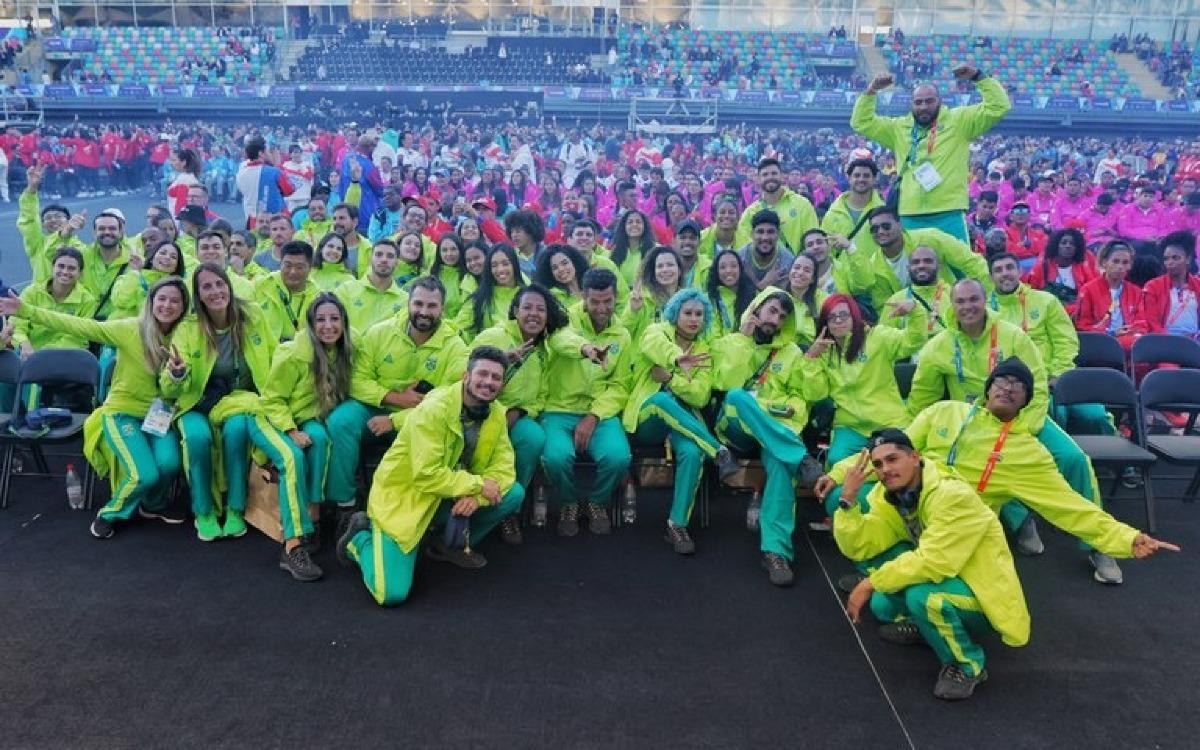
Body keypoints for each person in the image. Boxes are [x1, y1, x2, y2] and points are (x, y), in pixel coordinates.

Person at [820, 358, 1179, 590]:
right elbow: (892, 449)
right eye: (1001, 381)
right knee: (847, 501)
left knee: (907, 603)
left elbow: (1070, 506)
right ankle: (879, 575)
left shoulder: (1026, 453)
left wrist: (1127, 539)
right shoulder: (946, 410)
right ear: (987, 388)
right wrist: (838, 474)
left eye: (1018, 386)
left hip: (955, 530)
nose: (1007, 388)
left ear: (1025, 402)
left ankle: (907, 599)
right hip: (907, 508)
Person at [826, 429, 1029, 701]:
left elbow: (934, 562)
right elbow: (861, 545)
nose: (885, 469)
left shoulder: (952, 495)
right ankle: (926, 628)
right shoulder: (892, 495)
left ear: (915, 457)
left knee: (924, 597)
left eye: (892, 459)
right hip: (945, 574)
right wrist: (848, 502)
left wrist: (870, 583)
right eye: (878, 464)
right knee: (883, 606)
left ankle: (967, 666)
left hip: (981, 593)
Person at [336, 345, 526, 607]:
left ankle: (446, 545)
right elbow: (426, 476)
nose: (488, 382)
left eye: (496, 378)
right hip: (407, 499)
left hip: (450, 494)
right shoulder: (434, 409)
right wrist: (478, 484)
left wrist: (476, 497)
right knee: (390, 594)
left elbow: (504, 469)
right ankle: (360, 540)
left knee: (513, 492)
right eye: (482, 374)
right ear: (466, 376)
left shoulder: (496, 413)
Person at [0, 278, 188, 539]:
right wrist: (26, 311)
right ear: (151, 302)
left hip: (159, 416)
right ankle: (111, 513)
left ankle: (152, 505)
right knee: (143, 474)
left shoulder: (186, 338)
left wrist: (178, 376)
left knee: (169, 464)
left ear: (183, 307)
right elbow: (80, 325)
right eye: (162, 299)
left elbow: (176, 388)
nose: (167, 305)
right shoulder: (130, 329)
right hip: (122, 413)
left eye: (175, 301)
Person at [324, 276, 469, 516]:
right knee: (341, 421)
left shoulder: (455, 346)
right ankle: (345, 505)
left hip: (421, 416)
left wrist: (399, 417)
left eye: (432, 306)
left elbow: (449, 395)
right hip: (374, 407)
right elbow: (356, 381)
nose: (424, 311)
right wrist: (394, 397)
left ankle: (413, 512)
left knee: (435, 433)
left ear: (443, 308)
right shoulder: (380, 333)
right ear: (408, 303)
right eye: (418, 304)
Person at [473, 285, 607, 543]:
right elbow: (466, 372)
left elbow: (540, 397)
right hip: (481, 413)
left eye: (541, 309)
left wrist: (519, 412)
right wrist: (503, 360)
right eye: (527, 307)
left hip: (518, 416)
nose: (534, 314)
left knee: (533, 437)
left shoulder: (544, 349)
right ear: (515, 311)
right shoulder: (493, 336)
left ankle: (509, 511)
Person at [162, 263, 277, 542]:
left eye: (219, 284)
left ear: (228, 285)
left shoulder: (252, 315)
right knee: (197, 440)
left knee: (238, 430)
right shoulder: (188, 328)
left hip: (241, 400)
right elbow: (170, 385)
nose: (215, 291)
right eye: (207, 287)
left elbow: (275, 357)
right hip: (197, 404)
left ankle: (236, 508)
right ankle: (204, 511)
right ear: (198, 295)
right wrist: (177, 374)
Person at [622, 289, 739, 555]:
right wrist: (677, 360)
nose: (693, 319)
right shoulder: (657, 331)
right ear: (675, 313)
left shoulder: (705, 350)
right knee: (663, 402)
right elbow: (653, 346)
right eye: (687, 313)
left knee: (691, 451)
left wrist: (670, 379)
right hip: (647, 417)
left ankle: (677, 524)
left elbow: (700, 395)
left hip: (686, 422)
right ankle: (718, 451)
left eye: (699, 314)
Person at [712, 289, 810, 586]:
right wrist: (742, 342)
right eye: (772, 311)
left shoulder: (792, 352)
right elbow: (723, 385)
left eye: (782, 316)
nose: (776, 320)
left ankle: (775, 552)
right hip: (735, 428)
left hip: (774, 432)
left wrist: (769, 409)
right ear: (756, 308)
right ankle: (800, 456)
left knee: (780, 464)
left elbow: (800, 402)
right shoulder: (729, 342)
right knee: (738, 396)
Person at [851, 64, 1011, 243]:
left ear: (939, 101)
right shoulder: (898, 128)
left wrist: (978, 77)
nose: (923, 106)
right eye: (918, 102)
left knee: (961, 269)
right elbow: (861, 122)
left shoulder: (959, 121)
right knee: (914, 268)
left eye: (929, 101)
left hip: (948, 212)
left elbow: (999, 106)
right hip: (910, 214)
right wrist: (871, 91)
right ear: (911, 104)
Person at [256, 293, 354, 582]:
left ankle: (312, 518)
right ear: (310, 324)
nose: (328, 326)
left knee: (323, 441)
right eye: (320, 319)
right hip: (276, 418)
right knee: (294, 458)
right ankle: (292, 544)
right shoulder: (292, 354)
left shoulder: (342, 351)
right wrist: (290, 431)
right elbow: (272, 400)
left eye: (334, 319)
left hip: (306, 418)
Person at [800, 293, 924, 510]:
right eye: (832, 317)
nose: (838, 321)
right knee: (837, 460)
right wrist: (811, 359)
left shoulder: (877, 337)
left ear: (854, 317)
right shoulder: (823, 351)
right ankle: (849, 511)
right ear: (825, 323)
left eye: (843, 315)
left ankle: (889, 506)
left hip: (887, 421)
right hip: (850, 426)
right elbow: (815, 394)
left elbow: (913, 341)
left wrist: (914, 310)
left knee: (896, 465)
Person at [539, 269, 633, 537]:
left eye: (608, 301)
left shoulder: (622, 335)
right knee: (555, 458)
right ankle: (569, 502)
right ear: (584, 297)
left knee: (619, 458)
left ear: (616, 298)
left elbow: (620, 385)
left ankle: (596, 502)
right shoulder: (564, 319)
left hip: (599, 412)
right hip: (559, 409)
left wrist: (593, 416)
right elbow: (561, 341)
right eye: (595, 302)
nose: (602, 308)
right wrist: (587, 349)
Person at [850, 206, 989, 317]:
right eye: (874, 229)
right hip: (913, 323)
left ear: (899, 225)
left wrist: (989, 299)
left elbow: (971, 262)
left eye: (886, 226)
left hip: (951, 310)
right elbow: (884, 308)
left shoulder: (930, 238)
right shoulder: (874, 266)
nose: (880, 231)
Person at [12, 247, 96, 357]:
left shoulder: (87, 301)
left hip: (65, 356)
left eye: (71, 268)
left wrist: (44, 353)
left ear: (80, 273)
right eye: (61, 266)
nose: (65, 272)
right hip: (28, 354)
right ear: (53, 267)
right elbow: (17, 325)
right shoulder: (31, 292)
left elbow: (77, 338)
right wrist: (24, 343)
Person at [17, 165, 86, 284]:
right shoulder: (37, 244)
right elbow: (29, 218)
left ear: (68, 220)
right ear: (42, 225)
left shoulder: (79, 247)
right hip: (41, 298)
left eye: (58, 216)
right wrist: (32, 188)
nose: (53, 220)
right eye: (48, 218)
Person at [1074, 240, 1147, 352]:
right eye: (1115, 261)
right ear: (1104, 263)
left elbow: (1141, 323)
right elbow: (1082, 325)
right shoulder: (1088, 290)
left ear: (1130, 265)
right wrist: (1111, 333)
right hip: (1099, 342)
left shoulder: (1136, 291)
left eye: (1125, 262)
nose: (1120, 267)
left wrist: (1131, 331)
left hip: (1129, 340)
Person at [735, 158, 818, 252]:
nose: (770, 177)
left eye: (774, 173)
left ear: (781, 176)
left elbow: (813, 239)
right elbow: (744, 247)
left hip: (796, 265)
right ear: (758, 179)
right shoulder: (751, 212)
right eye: (765, 174)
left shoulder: (802, 204)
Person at [334, 239, 407, 336]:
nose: (384, 259)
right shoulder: (346, 290)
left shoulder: (405, 300)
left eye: (390, 256)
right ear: (370, 259)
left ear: (397, 262)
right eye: (379, 254)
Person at [252, 240, 319, 343]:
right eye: (287, 265)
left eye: (299, 267)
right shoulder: (260, 286)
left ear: (310, 268)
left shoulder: (318, 297)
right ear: (280, 264)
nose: (293, 272)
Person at [455, 244, 526, 339]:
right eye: (494, 265)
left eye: (505, 264)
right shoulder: (479, 298)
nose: (500, 270)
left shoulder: (528, 295)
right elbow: (458, 327)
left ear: (514, 265)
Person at [1023, 227, 1098, 316]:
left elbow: (1093, 292)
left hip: (1076, 313)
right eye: (1063, 243)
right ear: (1056, 245)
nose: (1068, 246)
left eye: (1072, 244)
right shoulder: (1042, 266)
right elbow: (1029, 292)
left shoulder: (1083, 267)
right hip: (1048, 311)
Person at [879, 246, 949, 340]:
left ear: (939, 266)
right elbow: (885, 341)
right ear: (908, 268)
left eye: (927, 261)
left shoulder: (954, 294)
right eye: (915, 262)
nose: (921, 265)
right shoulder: (896, 300)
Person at [1141, 231, 1200, 337]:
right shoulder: (1153, 286)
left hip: (1195, 341)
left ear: (1188, 259)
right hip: (1165, 341)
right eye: (1166, 259)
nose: (1170, 262)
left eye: (1175, 258)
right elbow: (1151, 321)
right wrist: (1167, 341)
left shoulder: (1198, 285)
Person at [108, 241, 186, 321]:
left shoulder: (179, 289)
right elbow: (120, 301)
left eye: (173, 257)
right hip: (120, 329)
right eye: (163, 253)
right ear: (152, 258)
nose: (167, 257)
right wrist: (136, 273)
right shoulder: (132, 275)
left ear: (176, 266)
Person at [821, 159, 885, 255]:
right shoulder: (833, 213)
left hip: (873, 269)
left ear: (874, 179)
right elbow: (824, 248)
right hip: (841, 270)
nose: (861, 179)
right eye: (857, 175)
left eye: (866, 176)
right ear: (849, 178)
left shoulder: (883, 213)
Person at [622, 245, 683, 344]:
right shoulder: (641, 298)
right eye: (660, 266)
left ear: (679, 270)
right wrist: (633, 311)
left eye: (670, 265)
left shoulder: (686, 300)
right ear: (654, 273)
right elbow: (624, 333)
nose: (665, 270)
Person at [236, 135, 294, 229]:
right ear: (261, 153)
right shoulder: (273, 172)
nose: (271, 154)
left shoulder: (241, 171)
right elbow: (290, 189)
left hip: (252, 220)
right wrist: (277, 165)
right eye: (268, 151)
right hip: (276, 223)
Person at [738, 209, 796, 291]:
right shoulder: (739, 259)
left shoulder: (788, 263)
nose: (765, 237)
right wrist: (764, 284)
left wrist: (757, 285)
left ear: (778, 234)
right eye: (760, 232)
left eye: (770, 232)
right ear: (752, 234)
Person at [706, 249, 758, 339]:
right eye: (722, 267)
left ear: (740, 269)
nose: (728, 270)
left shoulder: (754, 296)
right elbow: (712, 340)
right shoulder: (708, 300)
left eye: (733, 266)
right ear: (716, 271)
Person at [785, 254, 826, 348]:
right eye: (796, 267)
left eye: (807, 270)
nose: (800, 273)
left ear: (813, 279)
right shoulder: (775, 294)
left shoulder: (824, 300)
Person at [607, 208, 656, 287]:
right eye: (630, 222)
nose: (634, 225)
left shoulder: (655, 249)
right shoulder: (614, 251)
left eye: (638, 222)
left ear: (645, 226)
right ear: (624, 227)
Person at [535, 243, 589, 310]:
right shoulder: (551, 296)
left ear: (575, 262)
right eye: (555, 268)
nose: (561, 269)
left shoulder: (591, 286)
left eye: (565, 263)